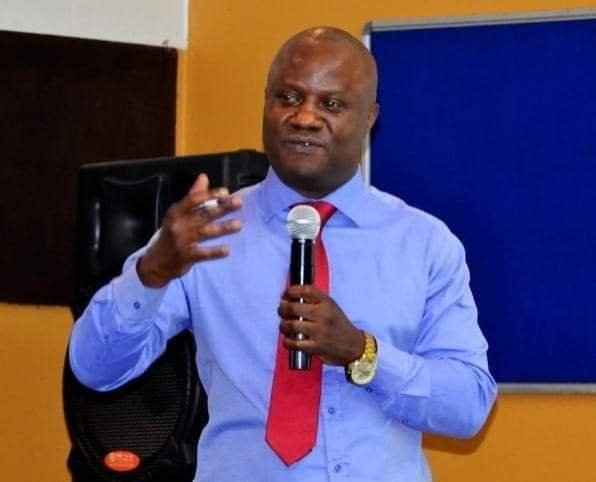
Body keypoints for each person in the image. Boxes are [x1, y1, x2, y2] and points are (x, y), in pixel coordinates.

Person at [69, 26, 497, 482]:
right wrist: (150, 273)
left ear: (369, 118)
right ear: (266, 103)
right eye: (289, 98)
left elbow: (468, 406)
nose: (305, 117)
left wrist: (361, 352)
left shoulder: (423, 243)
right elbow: (95, 370)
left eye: (331, 104)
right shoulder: (206, 233)